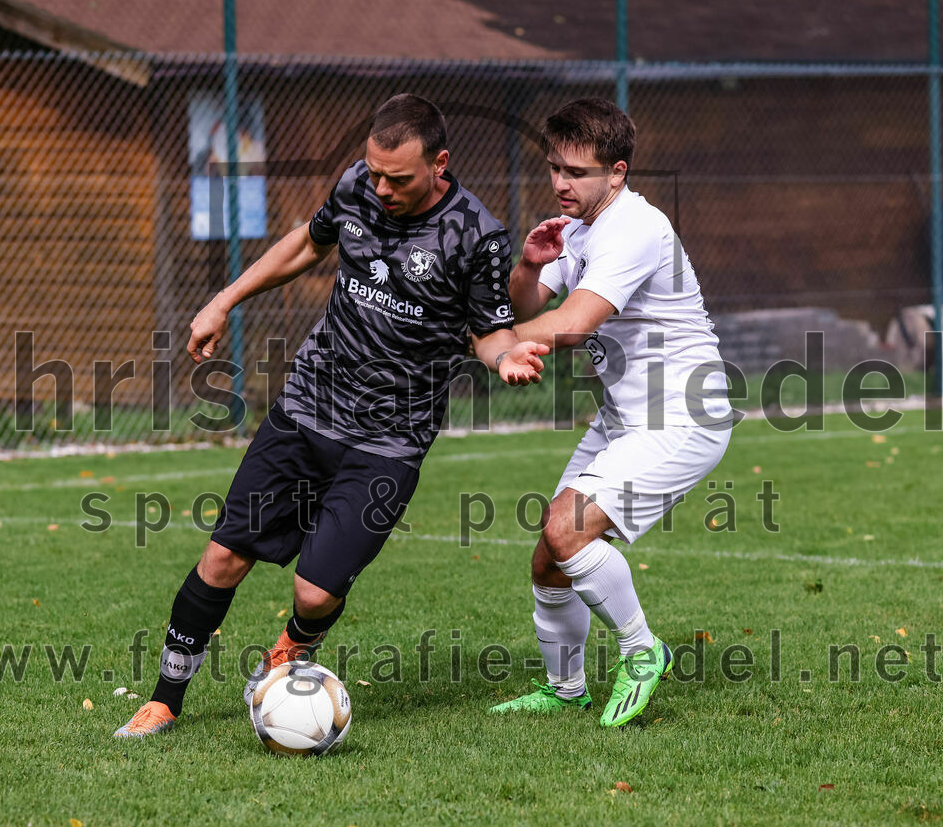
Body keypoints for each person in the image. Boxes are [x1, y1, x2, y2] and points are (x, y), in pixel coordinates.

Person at [115, 94, 549, 737]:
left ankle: (291, 646)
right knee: (223, 559)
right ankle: (165, 699)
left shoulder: (477, 235)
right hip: (307, 408)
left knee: (315, 594)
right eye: (374, 173)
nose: (381, 188)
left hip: (390, 440)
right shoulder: (355, 186)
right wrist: (224, 300)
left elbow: (490, 331)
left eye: (397, 178)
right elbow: (305, 245)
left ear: (440, 164)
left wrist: (504, 358)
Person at [490, 98, 733, 727]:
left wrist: (495, 347)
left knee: (566, 530)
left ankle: (642, 651)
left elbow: (569, 325)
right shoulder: (575, 228)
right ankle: (565, 688)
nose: (560, 184)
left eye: (575, 171)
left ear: (617, 173)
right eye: (553, 168)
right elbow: (526, 305)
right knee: (550, 555)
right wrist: (528, 265)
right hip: (626, 416)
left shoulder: (634, 227)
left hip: (682, 415)